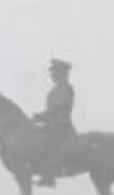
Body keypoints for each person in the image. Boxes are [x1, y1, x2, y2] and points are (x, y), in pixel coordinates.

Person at [31, 58, 76, 187]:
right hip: (51, 124)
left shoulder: (66, 88)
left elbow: (61, 109)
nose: (52, 75)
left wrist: (43, 116)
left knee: (48, 143)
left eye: (55, 72)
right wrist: (40, 117)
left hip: (61, 126)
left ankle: (49, 177)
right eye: (52, 73)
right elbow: (51, 110)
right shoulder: (54, 91)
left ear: (62, 73)